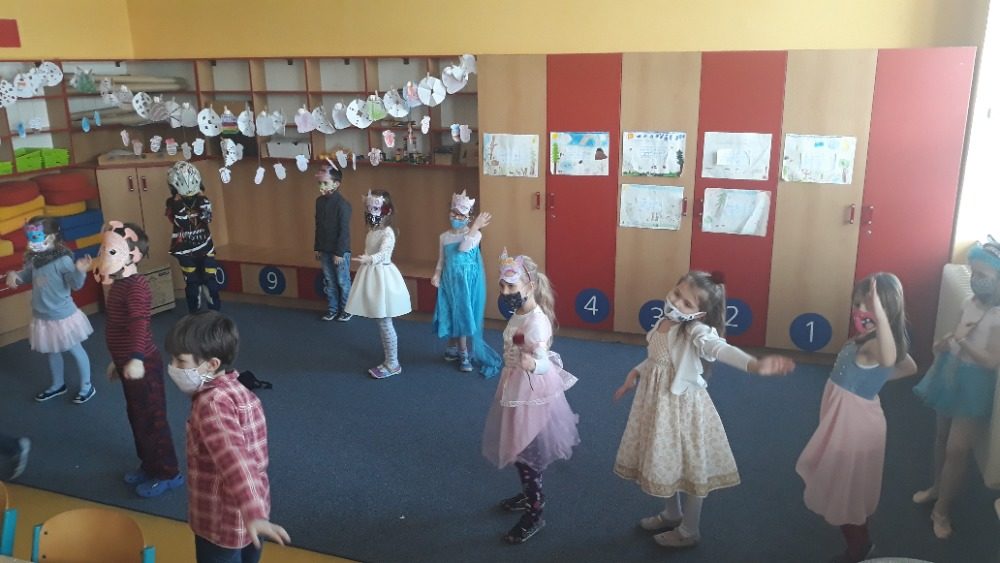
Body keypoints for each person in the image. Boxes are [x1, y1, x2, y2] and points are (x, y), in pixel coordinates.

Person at [613, 271, 794, 549]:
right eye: (677, 294)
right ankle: (672, 514)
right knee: (665, 459)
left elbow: (720, 348)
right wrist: (635, 372)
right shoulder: (663, 322)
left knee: (691, 465)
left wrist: (754, 365)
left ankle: (689, 530)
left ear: (699, 314)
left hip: (682, 409)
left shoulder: (694, 331)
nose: (676, 303)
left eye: (687, 303)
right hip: (657, 406)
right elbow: (656, 360)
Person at [796, 273, 917, 563]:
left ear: (887, 312)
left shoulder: (879, 344)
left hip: (854, 424)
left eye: (870, 306)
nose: (861, 311)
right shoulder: (870, 338)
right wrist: (873, 381)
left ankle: (859, 548)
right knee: (846, 484)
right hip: (847, 415)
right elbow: (909, 367)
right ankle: (858, 538)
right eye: (858, 303)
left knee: (846, 489)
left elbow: (891, 360)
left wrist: (881, 320)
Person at [165, 311, 290, 563]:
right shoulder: (240, 390)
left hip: (221, 521)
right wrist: (256, 512)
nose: (172, 367)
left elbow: (235, 459)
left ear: (211, 364)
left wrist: (253, 512)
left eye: (180, 361)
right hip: (254, 513)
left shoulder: (211, 404)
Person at [481, 249, 579, 544]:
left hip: (532, 393)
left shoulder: (536, 322)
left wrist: (531, 364)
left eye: (512, 286)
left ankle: (535, 512)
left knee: (528, 455)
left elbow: (544, 363)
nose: (505, 292)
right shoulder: (519, 313)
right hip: (515, 387)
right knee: (518, 445)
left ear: (530, 286)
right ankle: (528, 494)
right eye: (502, 285)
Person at [912, 238, 1000, 539]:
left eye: (983, 275)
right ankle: (937, 487)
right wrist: (945, 343)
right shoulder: (969, 303)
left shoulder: (998, 315)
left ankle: (942, 510)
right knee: (941, 437)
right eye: (973, 273)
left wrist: (963, 341)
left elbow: (991, 361)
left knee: (957, 450)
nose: (976, 280)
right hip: (951, 373)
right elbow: (956, 333)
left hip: (975, 383)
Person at [94, 221, 183, 498]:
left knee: (153, 420)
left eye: (111, 252)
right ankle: (149, 465)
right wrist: (119, 361)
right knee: (137, 417)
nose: (103, 256)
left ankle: (168, 473)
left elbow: (139, 324)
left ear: (133, 256)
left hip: (144, 365)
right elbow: (120, 327)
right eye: (103, 250)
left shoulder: (136, 287)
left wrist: (134, 358)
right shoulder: (119, 285)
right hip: (129, 363)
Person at [4, 216, 95, 403]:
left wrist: (79, 271)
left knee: (75, 349)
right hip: (42, 316)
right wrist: (15, 275)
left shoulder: (63, 260)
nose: (31, 242)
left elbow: (75, 284)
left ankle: (87, 385)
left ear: (52, 237)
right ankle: (58, 384)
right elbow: (27, 275)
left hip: (62, 316)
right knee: (52, 351)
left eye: (35, 237)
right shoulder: (34, 259)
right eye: (29, 238)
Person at [431, 190, 501, 376]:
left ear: (469, 217)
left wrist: (475, 226)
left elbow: (463, 248)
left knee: (462, 313)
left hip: (466, 283)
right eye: (453, 213)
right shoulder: (444, 237)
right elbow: (442, 259)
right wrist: (437, 274)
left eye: (461, 215)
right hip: (449, 280)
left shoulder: (474, 235)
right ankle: (452, 347)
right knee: (450, 311)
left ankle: (464, 353)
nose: (456, 217)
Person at [344, 190, 412, 379]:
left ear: (386, 211)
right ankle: (390, 360)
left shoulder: (388, 232)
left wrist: (370, 258)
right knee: (381, 322)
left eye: (375, 208)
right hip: (372, 275)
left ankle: (393, 363)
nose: (370, 212)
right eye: (368, 208)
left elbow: (384, 253)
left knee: (384, 321)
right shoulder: (373, 230)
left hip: (382, 277)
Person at [166, 161, 221, 313]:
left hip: (205, 247)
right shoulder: (172, 203)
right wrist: (178, 203)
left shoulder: (202, 199)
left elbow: (207, 218)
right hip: (185, 250)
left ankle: (215, 313)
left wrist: (202, 199)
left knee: (210, 281)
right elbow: (183, 223)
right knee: (193, 284)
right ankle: (195, 314)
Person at [314, 162, 352, 322]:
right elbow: (318, 226)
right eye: (320, 183)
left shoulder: (343, 205)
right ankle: (333, 309)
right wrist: (317, 247)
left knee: (343, 281)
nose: (321, 186)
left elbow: (344, 232)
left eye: (325, 183)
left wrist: (340, 252)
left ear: (336, 184)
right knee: (329, 281)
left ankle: (347, 309)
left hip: (339, 252)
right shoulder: (319, 202)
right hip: (324, 249)